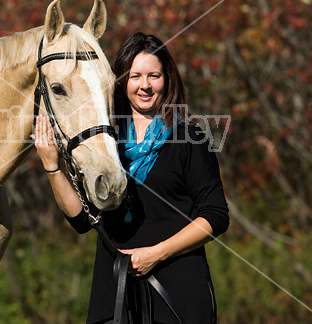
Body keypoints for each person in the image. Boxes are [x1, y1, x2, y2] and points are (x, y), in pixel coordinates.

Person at [31, 32, 229, 324]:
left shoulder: (190, 137)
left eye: (154, 76)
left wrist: (156, 254)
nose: (144, 85)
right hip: (115, 297)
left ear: (167, 79)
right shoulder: (105, 142)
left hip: (177, 295)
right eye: (135, 76)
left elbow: (215, 215)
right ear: (122, 81)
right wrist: (52, 167)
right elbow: (82, 220)